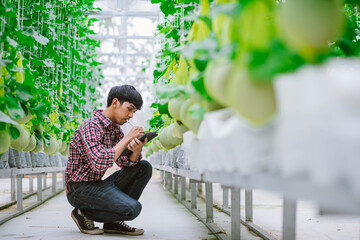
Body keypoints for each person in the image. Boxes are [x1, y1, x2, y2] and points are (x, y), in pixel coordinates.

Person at [65, 85, 152, 236]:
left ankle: (112, 222)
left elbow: (125, 163)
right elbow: (99, 163)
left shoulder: (115, 129)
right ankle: (81, 212)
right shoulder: (91, 125)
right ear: (115, 103)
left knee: (143, 167)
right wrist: (126, 139)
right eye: (129, 109)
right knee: (133, 209)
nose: (131, 115)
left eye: (134, 111)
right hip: (78, 188)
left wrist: (136, 151)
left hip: (96, 184)